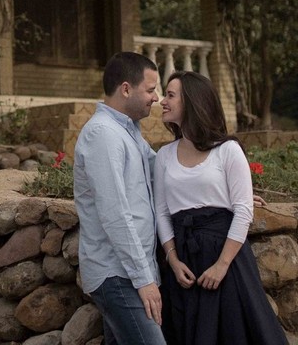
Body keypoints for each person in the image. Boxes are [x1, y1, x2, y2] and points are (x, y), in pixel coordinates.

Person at [154, 70, 287, 345]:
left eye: (170, 95)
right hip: (184, 260)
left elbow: (243, 210)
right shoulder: (164, 155)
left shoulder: (227, 150)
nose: (162, 101)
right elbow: (162, 212)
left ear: (192, 101)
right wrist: (173, 260)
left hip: (225, 258)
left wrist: (221, 265)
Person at [73, 52, 167, 345]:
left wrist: (228, 191)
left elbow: (164, 172)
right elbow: (114, 213)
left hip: (128, 273)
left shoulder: (128, 132)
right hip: (118, 275)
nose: (156, 98)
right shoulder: (104, 135)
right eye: (150, 90)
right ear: (126, 89)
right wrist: (144, 280)